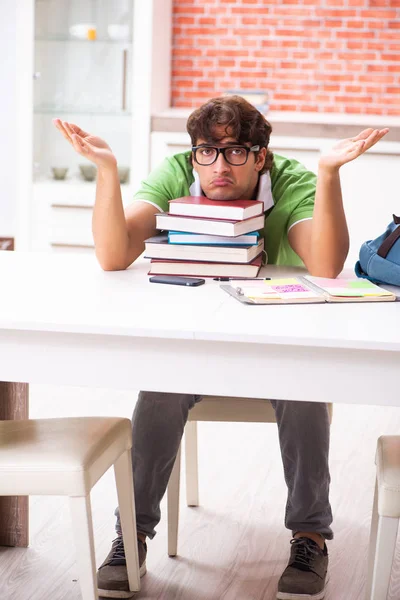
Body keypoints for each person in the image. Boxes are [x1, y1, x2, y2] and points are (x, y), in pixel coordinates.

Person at [54, 97, 388, 600]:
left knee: (305, 389)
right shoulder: (175, 174)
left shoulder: (291, 180)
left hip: (276, 344)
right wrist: (106, 171)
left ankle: (311, 536)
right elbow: (114, 254)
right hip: (199, 344)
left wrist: (327, 173)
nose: (220, 166)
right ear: (194, 156)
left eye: (236, 152)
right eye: (207, 152)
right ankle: (132, 536)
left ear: (262, 157)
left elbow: (323, 263)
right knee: (160, 390)